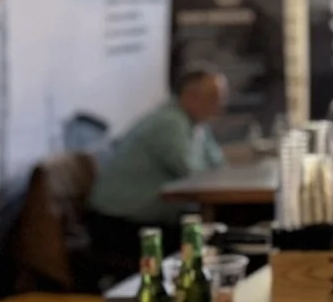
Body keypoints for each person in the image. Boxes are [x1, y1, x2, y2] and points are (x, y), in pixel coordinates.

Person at [83, 68, 229, 267]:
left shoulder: (195, 124)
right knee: (216, 243)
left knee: (218, 236)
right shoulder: (169, 123)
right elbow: (192, 175)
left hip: (145, 220)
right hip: (120, 225)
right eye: (213, 97)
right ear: (189, 96)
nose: (220, 105)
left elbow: (219, 164)